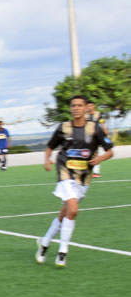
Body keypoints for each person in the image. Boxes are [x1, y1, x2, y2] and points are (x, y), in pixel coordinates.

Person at [35, 95, 113, 268]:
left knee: (66, 214)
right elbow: (49, 147)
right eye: (73, 105)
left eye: (79, 105)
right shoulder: (63, 128)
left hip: (83, 177)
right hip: (65, 172)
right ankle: (63, 252)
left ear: (86, 108)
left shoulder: (95, 128)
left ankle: (45, 243)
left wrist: (99, 159)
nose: (76, 108)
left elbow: (110, 151)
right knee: (73, 209)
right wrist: (47, 160)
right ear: (70, 108)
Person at [86, 100, 108, 178]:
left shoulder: (98, 114)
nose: (89, 107)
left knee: (95, 153)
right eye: (88, 106)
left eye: (91, 106)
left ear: (93, 106)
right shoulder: (85, 115)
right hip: (87, 136)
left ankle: (96, 172)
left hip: (96, 136)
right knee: (86, 153)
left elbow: (102, 124)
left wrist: (105, 133)